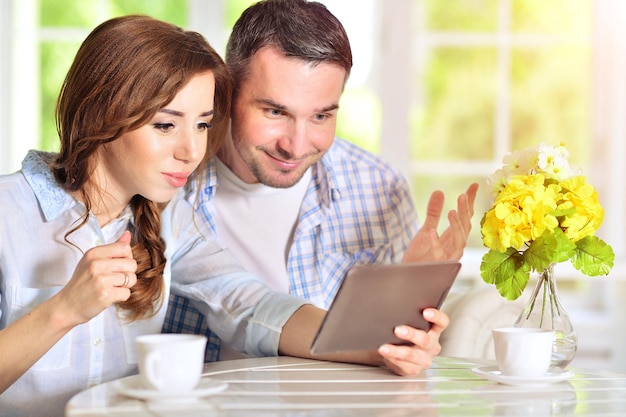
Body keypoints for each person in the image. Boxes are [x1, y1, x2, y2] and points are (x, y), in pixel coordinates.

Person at [0, 14, 450, 417]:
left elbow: (249, 304)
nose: (191, 151)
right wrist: (63, 310)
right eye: (165, 124)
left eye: (201, 124)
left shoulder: (167, 220)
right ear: (102, 112)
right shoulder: (8, 214)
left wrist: (379, 343)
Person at [163, 0, 478, 361]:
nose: (295, 146)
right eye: (275, 111)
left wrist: (410, 330)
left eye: (320, 116)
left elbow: (392, 348)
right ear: (227, 93)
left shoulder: (379, 188)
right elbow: (247, 308)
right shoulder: (170, 185)